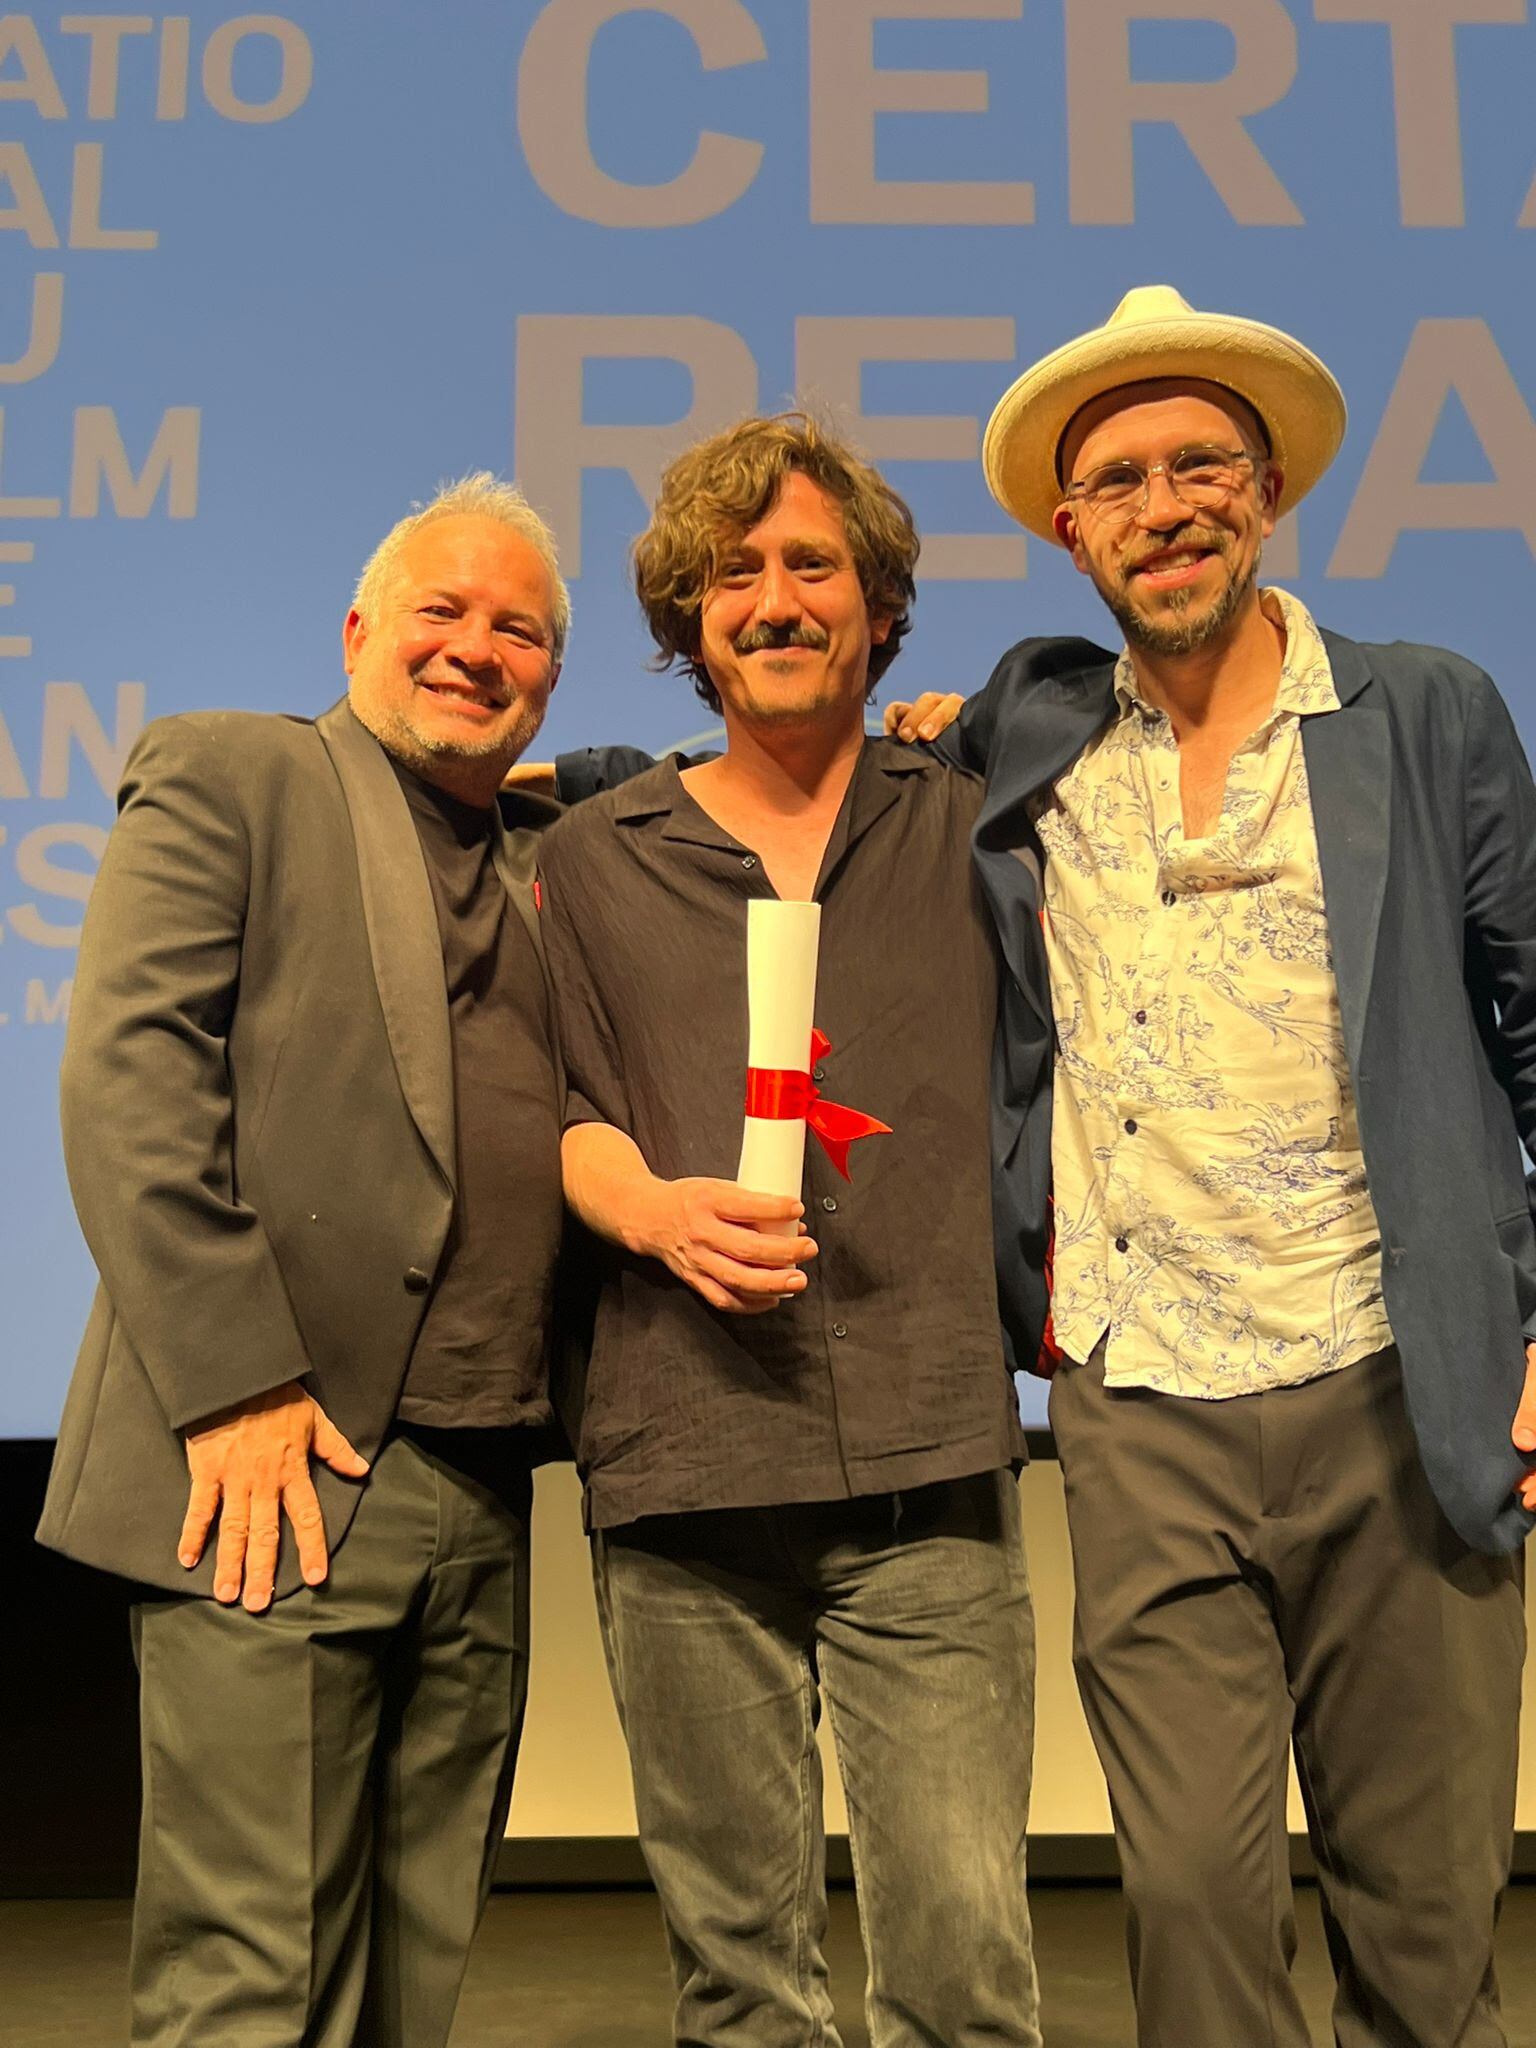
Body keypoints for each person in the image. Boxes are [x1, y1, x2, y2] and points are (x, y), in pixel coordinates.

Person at [887, 285, 1536, 2048]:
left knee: (1422, 1925)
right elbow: (794, 781)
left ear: (1266, 494)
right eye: (1120, 481)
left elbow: (1534, 1021)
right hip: (1141, 1400)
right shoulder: (1030, 735)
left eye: (1200, 466)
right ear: (1067, 526)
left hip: (1396, 1376)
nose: (1163, 505)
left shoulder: (1425, 711)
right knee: (1188, 1915)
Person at [36, 475, 571, 2048]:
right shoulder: (238, 771)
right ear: (357, 632)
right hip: (277, 1458)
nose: (479, 649)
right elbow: (128, 1085)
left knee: (413, 1972)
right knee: (250, 1980)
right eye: (444, 613)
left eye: (521, 632)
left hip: (482, 1479)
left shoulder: (548, 848)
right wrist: (237, 1385)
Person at [535, 413, 1041, 2048]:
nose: (772, 598)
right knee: (741, 1983)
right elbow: (549, 1109)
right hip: (685, 1469)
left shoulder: (976, 826)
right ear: (690, 625)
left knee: (964, 1971)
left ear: (879, 607)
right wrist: (649, 1207)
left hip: (930, 1464)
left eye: (810, 565)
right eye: (731, 574)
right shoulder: (599, 859)